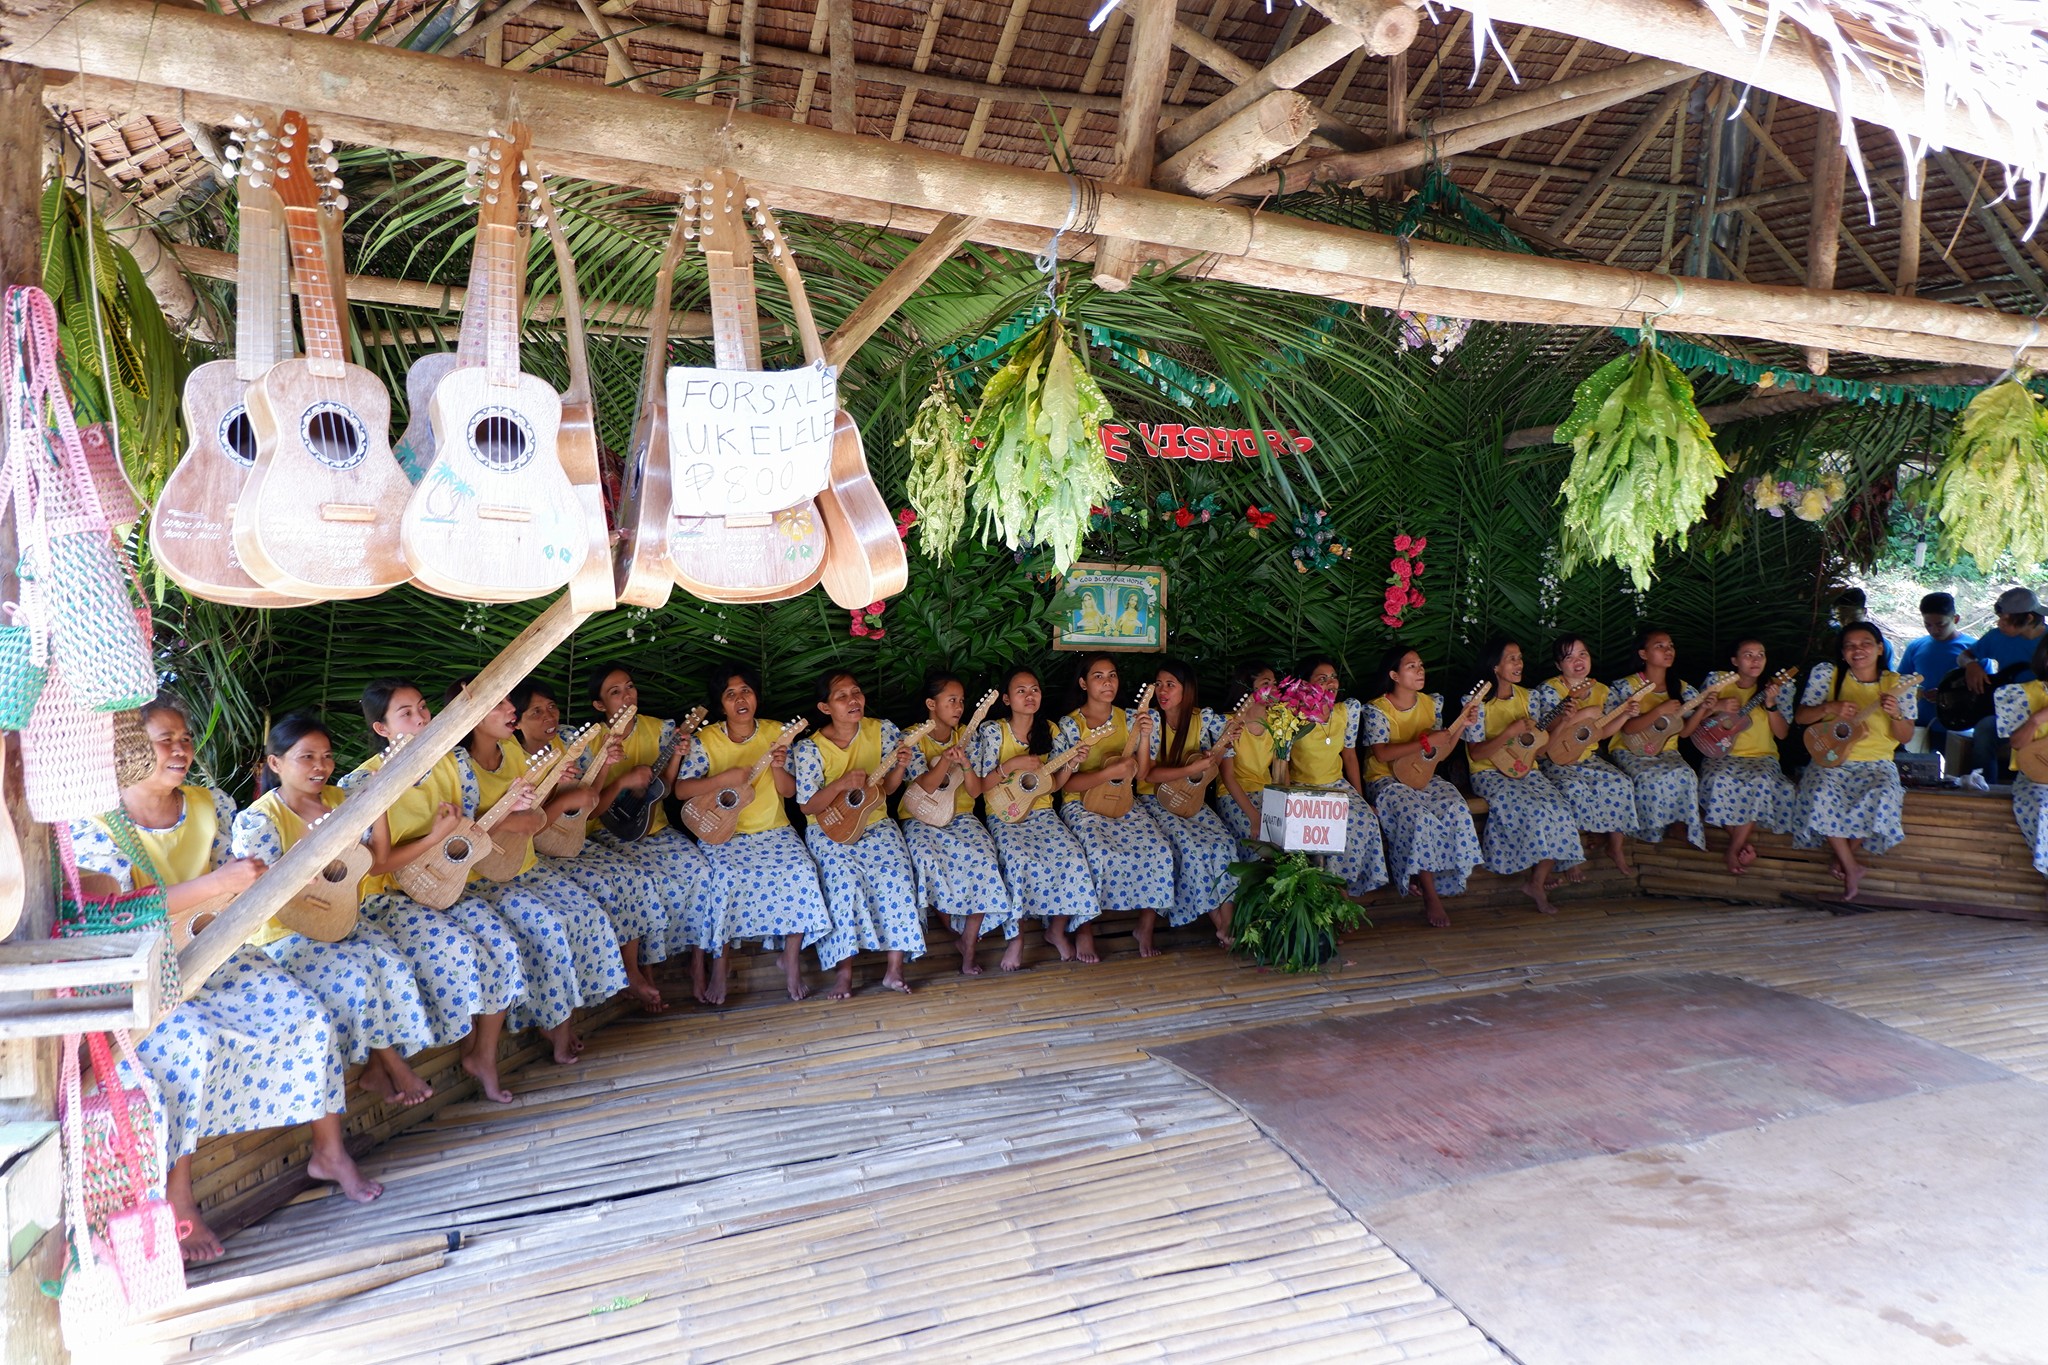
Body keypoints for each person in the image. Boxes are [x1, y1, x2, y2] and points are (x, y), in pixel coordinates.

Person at [68, 695, 374, 1262]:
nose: (180, 748)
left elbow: (239, 882)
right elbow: (112, 913)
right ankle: (180, 1199)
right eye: (164, 740)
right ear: (128, 751)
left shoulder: (212, 805)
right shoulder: (94, 825)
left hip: (219, 951)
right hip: (148, 972)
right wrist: (217, 885)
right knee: (187, 1046)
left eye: (184, 737)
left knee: (307, 1014)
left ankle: (328, 1152)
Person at [236, 713, 512, 1107]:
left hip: (347, 917)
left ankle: (383, 1068)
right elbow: (259, 896)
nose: (321, 766)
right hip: (288, 933)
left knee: (393, 963)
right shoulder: (258, 820)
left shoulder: (340, 799)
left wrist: (380, 803)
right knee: (360, 975)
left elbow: (378, 861)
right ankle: (394, 1068)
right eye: (307, 757)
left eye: (327, 756)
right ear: (275, 764)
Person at [343, 680, 622, 1067]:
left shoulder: (451, 763)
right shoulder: (362, 783)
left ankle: (485, 1054)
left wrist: (513, 810)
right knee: (471, 948)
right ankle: (435, 1058)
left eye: (423, 707)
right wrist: (438, 836)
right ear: (381, 729)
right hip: (391, 898)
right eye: (406, 714)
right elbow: (376, 864)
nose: (422, 717)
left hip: (449, 883)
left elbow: (471, 831)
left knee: (505, 942)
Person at [673, 662, 830, 1001]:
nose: (740, 699)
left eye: (746, 691)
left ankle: (790, 959)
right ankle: (720, 963)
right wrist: (721, 780)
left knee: (802, 871)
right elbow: (682, 790)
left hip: (774, 830)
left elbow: (789, 793)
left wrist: (776, 766)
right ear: (721, 704)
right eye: (730, 694)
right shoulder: (707, 739)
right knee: (724, 878)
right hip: (722, 833)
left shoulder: (777, 733)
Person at [581, 665, 734, 1006]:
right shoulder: (590, 740)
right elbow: (589, 811)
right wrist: (617, 778)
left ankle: (698, 961)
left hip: (656, 829)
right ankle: (647, 974)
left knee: (703, 873)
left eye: (630, 687)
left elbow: (662, 789)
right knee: (645, 885)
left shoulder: (659, 729)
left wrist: (676, 758)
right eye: (615, 692)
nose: (627, 695)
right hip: (609, 834)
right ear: (599, 705)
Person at [792, 669, 926, 998]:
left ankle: (894, 970)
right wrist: (839, 784)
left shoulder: (882, 731)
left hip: (876, 823)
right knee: (843, 882)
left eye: (857, 692)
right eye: (842, 696)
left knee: (897, 874)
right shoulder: (810, 748)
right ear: (825, 708)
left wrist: (899, 767)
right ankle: (844, 973)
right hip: (829, 829)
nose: (854, 700)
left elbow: (888, 791)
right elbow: (808, 806)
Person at [971, 665, 1098, 961]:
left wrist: (1070, 764)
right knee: (1017, 861)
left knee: (1072, 856)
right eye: (1021, 691)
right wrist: (1011, 765)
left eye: (1035, 690)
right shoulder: (993, 732)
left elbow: (1052, 786)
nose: (1030, 696)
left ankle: (1056, 929)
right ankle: (1016, 938)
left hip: (1042, 814)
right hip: (1004, 816)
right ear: (1006, 699)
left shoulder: (1051, 731)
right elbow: (979, 786)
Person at [1056, 653, 1178, 958]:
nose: (1107, 682)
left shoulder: (1132, 720)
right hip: (1081, 805)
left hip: (1124, 802)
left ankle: (1145, 928)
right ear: (1083, 683)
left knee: (1159, 850)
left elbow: (1144, 771)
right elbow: (1066, 785)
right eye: (1098, 676)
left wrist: (1146, 737)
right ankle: (1084, 930)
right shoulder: (1071, 725)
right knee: (1095, 853)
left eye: (1112, 675)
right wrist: (1106, 773)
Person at [900, 671, 1022, 974]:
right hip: (920, 818)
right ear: (931, 703)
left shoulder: (970, 735)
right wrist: (945, 760)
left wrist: (966, 764)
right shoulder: (912, 736)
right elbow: (924, 788)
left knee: (983, 858)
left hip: (962, 816)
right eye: (951, 700)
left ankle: (968, 943)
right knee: (926, 860)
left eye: (962, 701)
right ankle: (957, 932)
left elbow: (976, 790)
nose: (958, 707)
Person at [1359, 644, 1484, 928]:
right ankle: (1430, 895)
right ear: (1394, 674)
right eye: (1411, 666)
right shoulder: (1378, 709)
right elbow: (1381, 754)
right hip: (1385, 780)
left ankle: (1441, 879)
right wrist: (1426, 741)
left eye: (1421, 665)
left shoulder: (1432, 704)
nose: (1420, 670)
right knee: (1419, 817)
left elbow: (1440, 751)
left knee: (1456, 808)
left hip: (1423, 776)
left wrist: (1461, 725)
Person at [1462, 638, 1585, 914]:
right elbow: (1477, 753)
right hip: (1489, 773)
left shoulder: (1529, 697)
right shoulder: (1477, 702)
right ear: (1495, 666)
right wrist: (1508, 732)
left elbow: (1540, 751)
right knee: (1533, 809)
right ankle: (1527, 873)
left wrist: (1564, 720)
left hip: (1527, 769)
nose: (1519, 664)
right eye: (1512, 659)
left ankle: (1536, 882)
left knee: (1561, 808)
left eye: (1520, 658)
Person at [1793, 621, 1915, 899]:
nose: (1857, 650)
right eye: (1849, 646)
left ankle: (1845, 861)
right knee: (1819, 790)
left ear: (1880, 648)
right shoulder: (1828, 676)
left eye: (1865, 644)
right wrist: (1829, 707)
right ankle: (1850, 865)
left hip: (1877, 763)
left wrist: (1895, 713)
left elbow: (1905, 737)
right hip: (1831, 758)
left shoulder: (1898, 684)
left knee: (1883, 794)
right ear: (1843, 652)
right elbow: (1801, 717)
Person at [1137, 658, 1243, 946]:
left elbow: (1211, 765)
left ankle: (1228, 922)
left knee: (1223, 845)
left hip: (1191, 799)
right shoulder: (1153, 722)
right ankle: (1222, 925)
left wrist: (1223, 747)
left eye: (1170, 684)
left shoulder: (1203, 719)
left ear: (1187, 690)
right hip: (1153, 800)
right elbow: (1147, 773)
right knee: (1193, 849)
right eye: (1159, 684)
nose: (1162, 690)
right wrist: (1189, 770)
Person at [1529, 635, 1641, 876]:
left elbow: (1601, 732)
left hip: (1587, 758)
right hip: (1554, 759)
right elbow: (1543, 731)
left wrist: (1624, 715)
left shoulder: (1602, 690)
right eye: (1569, 657)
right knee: (1573, 789)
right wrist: (1577, 714)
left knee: (1621, 783)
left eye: (1583, 654)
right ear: (1559, 665)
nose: (1578, 661)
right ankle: (1571, 858)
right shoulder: (1548, 690)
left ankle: (1616, 847)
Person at [1283, 657, 1390, 901]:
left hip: (1338, 785)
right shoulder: (1291, 715)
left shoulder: (1345, 711)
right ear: (1304, 685)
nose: (1330, 683)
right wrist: (1288, 800)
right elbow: (1283, 763)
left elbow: (1349, 756)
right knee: (1327, 830)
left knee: (1364, 819)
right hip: (1303, 788)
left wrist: (1361, 799)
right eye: (1322, 679)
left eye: (1333, 677)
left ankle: (1346, 890)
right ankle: (1335, 899)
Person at [1693, 640, 1797, 876]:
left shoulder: (1778, 688)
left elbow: (1782, 733)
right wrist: (1718, 705)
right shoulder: (1718, 682)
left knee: (1760, 781)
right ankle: (1739, 845)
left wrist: (1771, 704)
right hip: (1721, 756)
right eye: (1748, 655)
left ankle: (1734, 848)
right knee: (1718, 780)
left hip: (1762, 758)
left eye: (1761, 654)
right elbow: (1692, 718)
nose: (1756, 660)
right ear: (1734, 661)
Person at [1607, 627, 1707, 851]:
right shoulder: (1626, 686)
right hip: (1630, 750)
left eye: (1670, 646)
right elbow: (1628, 730)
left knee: (1685, 774)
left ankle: (1679, 823)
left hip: (1667, 752)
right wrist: (1658, 711)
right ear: (1643, 654)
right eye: (1659, 646)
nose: (1668, 650)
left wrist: (1704, 710)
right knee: (1649, 777)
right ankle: (1649, 831)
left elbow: (1684, 732)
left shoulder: (1680, 687)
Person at [1959, 587, 2045, 779]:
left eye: (2006, 619)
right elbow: (1964, 657)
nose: (2000, 624)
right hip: (2011, 710)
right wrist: (1972, 665)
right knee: (1984, 728)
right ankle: (1984, 786)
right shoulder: (1997, 637)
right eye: (1999, 618)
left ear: (2029, 618)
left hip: (2044, 710)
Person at [1995, 637, 2048, 875]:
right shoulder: (2019, 694)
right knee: (2043, 808)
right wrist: (2038, 718)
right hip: (2037, 781)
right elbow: (2015, 744)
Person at [1897, 591, 1973, 747]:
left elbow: (1985, 691)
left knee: (1957, 770)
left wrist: (1948, 695)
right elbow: (1899, 682)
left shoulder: (1973, 649)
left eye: (1940, 624)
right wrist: (1916, 692)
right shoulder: (1916, 647)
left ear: (1956, 619)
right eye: (1928, 624)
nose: (1934, 630)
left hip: (1958, 727)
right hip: (1918, 726)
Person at [1216, 661, 1276, 850]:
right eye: (1266, 684)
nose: (1273, 689)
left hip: (1268, 792)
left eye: (1275, 684)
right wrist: (1254, 817)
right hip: (1234, 795)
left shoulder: (1279, 720)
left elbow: (1282, 767)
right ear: (1249, 688)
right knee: (1259, 843)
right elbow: (1228, 777)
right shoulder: (1229, 723)